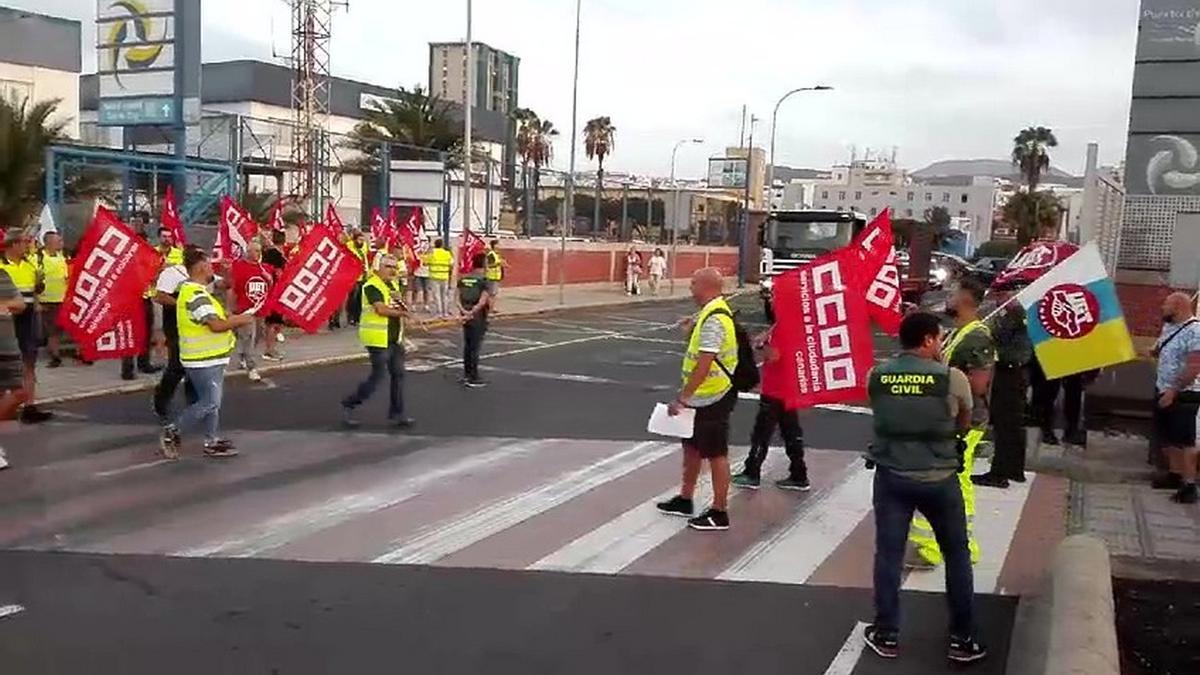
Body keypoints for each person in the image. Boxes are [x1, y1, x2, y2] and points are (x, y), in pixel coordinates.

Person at [863, 311, 987, 664]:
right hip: (940, 478)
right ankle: (963, 638)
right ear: (929, 340)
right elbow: (964, 419)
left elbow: (880, 412)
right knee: (957, 554)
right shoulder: (952, 377)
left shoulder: (878, 375)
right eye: (939, 338)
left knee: (888, 555)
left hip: (892, 477)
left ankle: (886, 633)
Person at [908, 279, 993, 569]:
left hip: (964, 422)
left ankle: (933, 549)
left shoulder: (977, 337)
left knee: (944, 482)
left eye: (955, 292)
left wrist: (941, 378)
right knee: (955, 481)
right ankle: (961, 546)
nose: (950, 297)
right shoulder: (963, 332)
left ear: (968, 299)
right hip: (951, 418)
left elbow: (979, 384)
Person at [657, 268, 739, 531]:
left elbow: (704, 364)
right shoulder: (709, 313)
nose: (690, 288)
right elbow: (700, 351)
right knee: (691, 448)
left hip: (713, 396)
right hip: (702, 397)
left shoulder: (715, 318)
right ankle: (685, 498)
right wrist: (689, 331)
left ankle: (719, 511)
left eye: (693, 283)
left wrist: (683, 398)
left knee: (716, 454)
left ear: (706, 286)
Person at [159, 247, 255, 459]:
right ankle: (172, 431)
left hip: (211, 357)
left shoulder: (198, 289)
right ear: (202, 266)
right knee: (209, 402)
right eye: (210, 264)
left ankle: (211, 440)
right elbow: (216, 325)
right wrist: (242, 319)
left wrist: (229, 272)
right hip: (202, 360)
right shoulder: (195, 294)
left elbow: (227, 284)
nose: (213, 267)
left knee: (213, 403)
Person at [732, 303, 809, 491]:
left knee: (762, 433)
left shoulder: (783, 329)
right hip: (788, 387)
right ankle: (799, 474)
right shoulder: (788, 326)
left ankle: (752, 472)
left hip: (776, 388)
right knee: (791, 431)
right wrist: (763, 339)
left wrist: (761, 346)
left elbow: (774, 355)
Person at [341, 254, 414, 429]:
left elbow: (398, 307)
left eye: (395, 267)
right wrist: (403, 313)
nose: (392, 270)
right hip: (377, 339)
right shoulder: (371, 285)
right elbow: (380, 310)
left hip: (394, 338)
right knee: (378, 377)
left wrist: (403, 305)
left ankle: (397, 414)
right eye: (388, 266)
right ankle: (350, 403)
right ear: (378, 268)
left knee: (398, 375)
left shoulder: (392, 285)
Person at [972, 287, 1033, 489]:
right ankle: (1014, 470)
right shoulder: (1018, 313)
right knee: (1013, 423)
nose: (999, 300)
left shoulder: (1016, 314)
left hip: (1011, 371)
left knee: (1006, 422)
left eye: (1002, 295)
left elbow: (998, 336)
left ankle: (1000, 472)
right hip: (1014, 371)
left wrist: (994, 321)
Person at [1149, 292, 1200, 504]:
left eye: (1166, 305)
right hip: (1162, 388)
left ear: (1178, 306)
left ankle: (1189, 485)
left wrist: (1173, 390)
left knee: (1184, 440)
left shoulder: (1195, 331)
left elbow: (1194, 366)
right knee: (1167, 437)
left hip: (1185, 393)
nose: (1162, 308)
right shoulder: (1170, 327)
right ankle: (1174, 474)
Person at [0, 230, 50, 424]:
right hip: (7, 320)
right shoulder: (2, 267)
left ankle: (29, 406)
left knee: (29, 361)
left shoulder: (30, 264)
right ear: (13, 244)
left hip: (28, 318)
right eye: (25, 241)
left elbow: (34, 290)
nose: (28, 244)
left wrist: (39, 287)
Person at [151, 245, 199, 432]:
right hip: (175, 325)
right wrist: (182, 303)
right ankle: (160, 401)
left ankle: (193, 403)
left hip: (195, 326)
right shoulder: (172, 273)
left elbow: (218, 285)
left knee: (194, 365)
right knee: (177, 366)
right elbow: (159, 296)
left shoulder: (200, 275)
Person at [230, 241, 273, 382]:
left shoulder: (265, 268)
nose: (257, 254)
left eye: (259, 251)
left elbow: (270, 288)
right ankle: (252, 367)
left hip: (260, 309)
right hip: (246, 309)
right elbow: (232, 288)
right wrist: (231, 308)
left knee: (258, 335)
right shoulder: (239, 267)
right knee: (248, 337)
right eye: (254, 251)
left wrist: (269, 279)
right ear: (247, 252)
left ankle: (243, 355)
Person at [0, 268, 30, 468]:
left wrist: (5, 304)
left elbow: (20, 304)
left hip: (8, 345)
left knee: (20, 392)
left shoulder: (2, 275)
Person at [458, 252, 495, 388]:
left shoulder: (464, 279)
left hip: (465, 312)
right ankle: (474, 376)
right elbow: (484, 300)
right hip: (478, 315)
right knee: (475, 346)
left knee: (467, 345)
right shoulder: (484, 280)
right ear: (484, 263)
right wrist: (474, 312)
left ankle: (467, 374)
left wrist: (464, 311)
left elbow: (456, 297)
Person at [35, 231, 69, 368]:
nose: (61, 243)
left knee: (59, 330)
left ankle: (58, 354)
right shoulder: (39, 259)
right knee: (52, 331)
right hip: (47, 301)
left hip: (62, 300)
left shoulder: (62, 256)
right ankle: (55, 356)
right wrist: (37, 301)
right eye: (58, 241)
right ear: (49, 243)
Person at [261, 230, 289, 360]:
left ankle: (271, 349)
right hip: (276, 292)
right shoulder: (276, 255)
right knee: (273, 323)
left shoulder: (268, 253)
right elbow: (279, 274)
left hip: (270, 291)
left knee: (274, 323)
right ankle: (269, 351)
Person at [427, 238, 454, 318]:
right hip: (445, 276)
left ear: (435, 244)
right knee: (445, 295)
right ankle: (445, 312)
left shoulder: (432, 253)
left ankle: (439, 312)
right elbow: (452, 263)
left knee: (437, 295)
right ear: (442, 245)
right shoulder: (447, 253)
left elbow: (425, 261)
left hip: (434, 276)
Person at [485, 239, 508, 310]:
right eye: (497, 244)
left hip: (497, 276)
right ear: (494, 245)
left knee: (494, 293)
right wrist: (498, 263)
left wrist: (504, 264)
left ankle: (491, 307)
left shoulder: (497, 254)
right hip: (491, 276)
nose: (499, 246)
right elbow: (489, 265)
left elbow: (500, 263)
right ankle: (490, 308)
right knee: (491, 293)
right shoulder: (491, 254)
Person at [412, 237, 432, 311]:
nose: (424, 243)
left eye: (426, 241)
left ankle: (426, 305)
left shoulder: (431, 250)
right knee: (416, 290)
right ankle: (413, 304)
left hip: (427, 273)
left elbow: (431, 259)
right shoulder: (417, 249)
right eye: (423, 241)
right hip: (417, 273)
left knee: (426, 290)